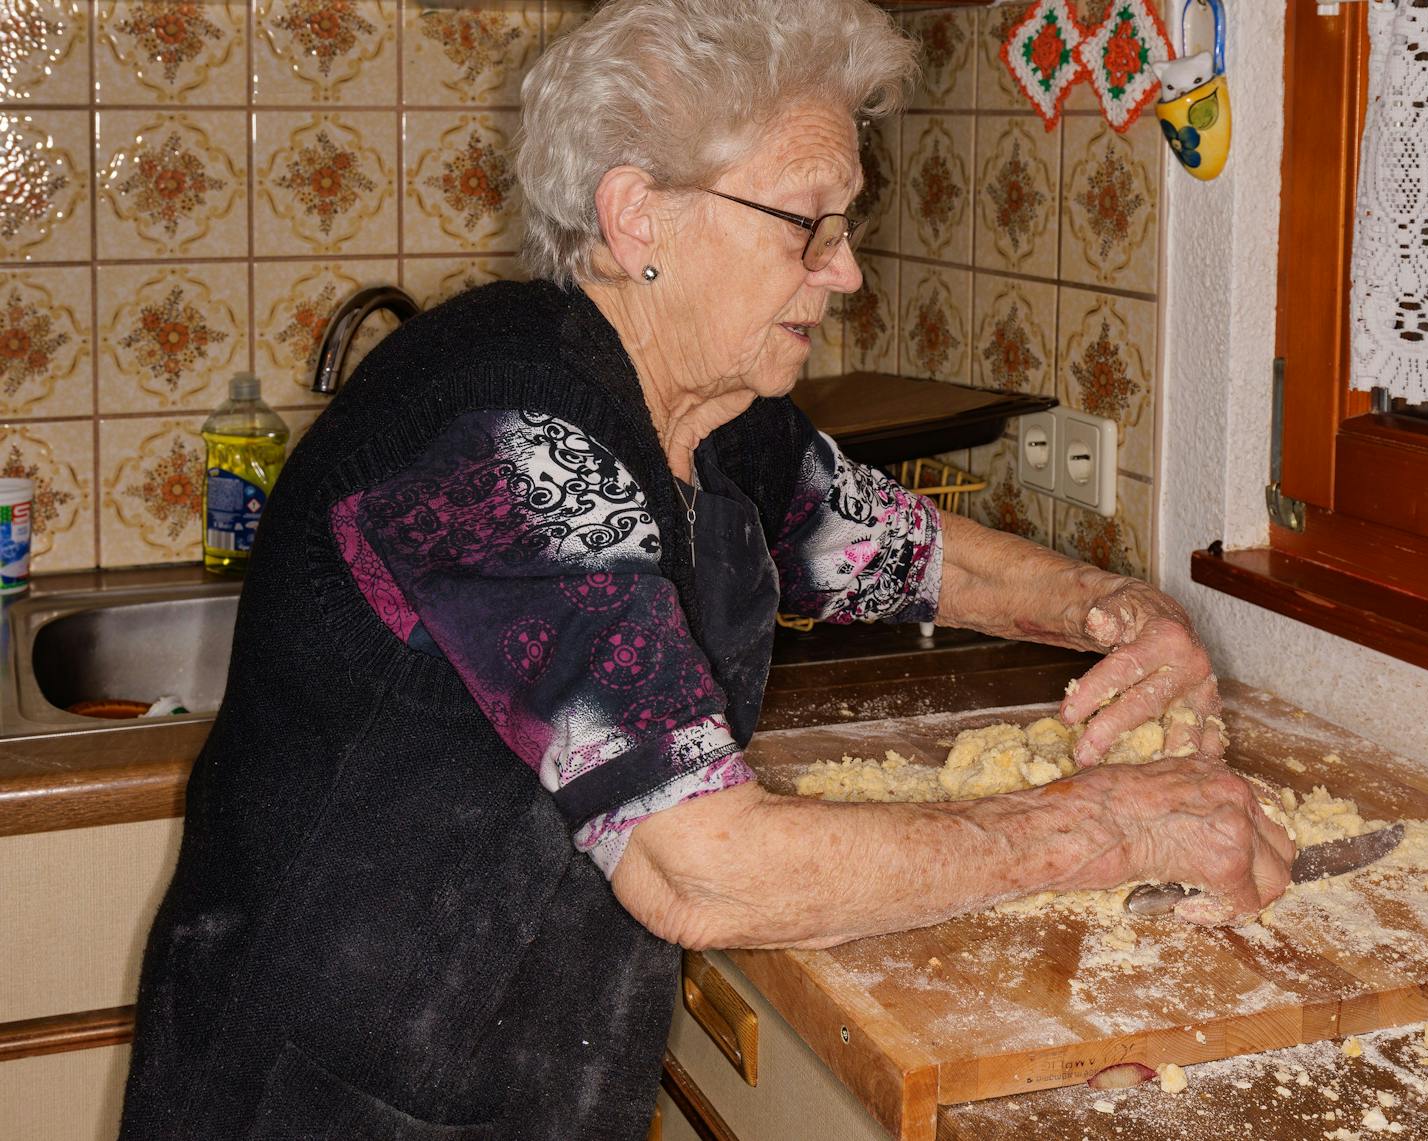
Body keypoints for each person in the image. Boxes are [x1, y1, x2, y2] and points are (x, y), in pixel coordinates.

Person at [118, 2, 1293, 1137]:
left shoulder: (710, 414)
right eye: (808, 225)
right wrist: (1111, 825)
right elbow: (702, 870)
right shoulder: (509, 440)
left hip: (513, 1063)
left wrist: (1117, 614)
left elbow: (901, 546)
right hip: (325, 1091)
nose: (844, 274)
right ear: (640, 219)